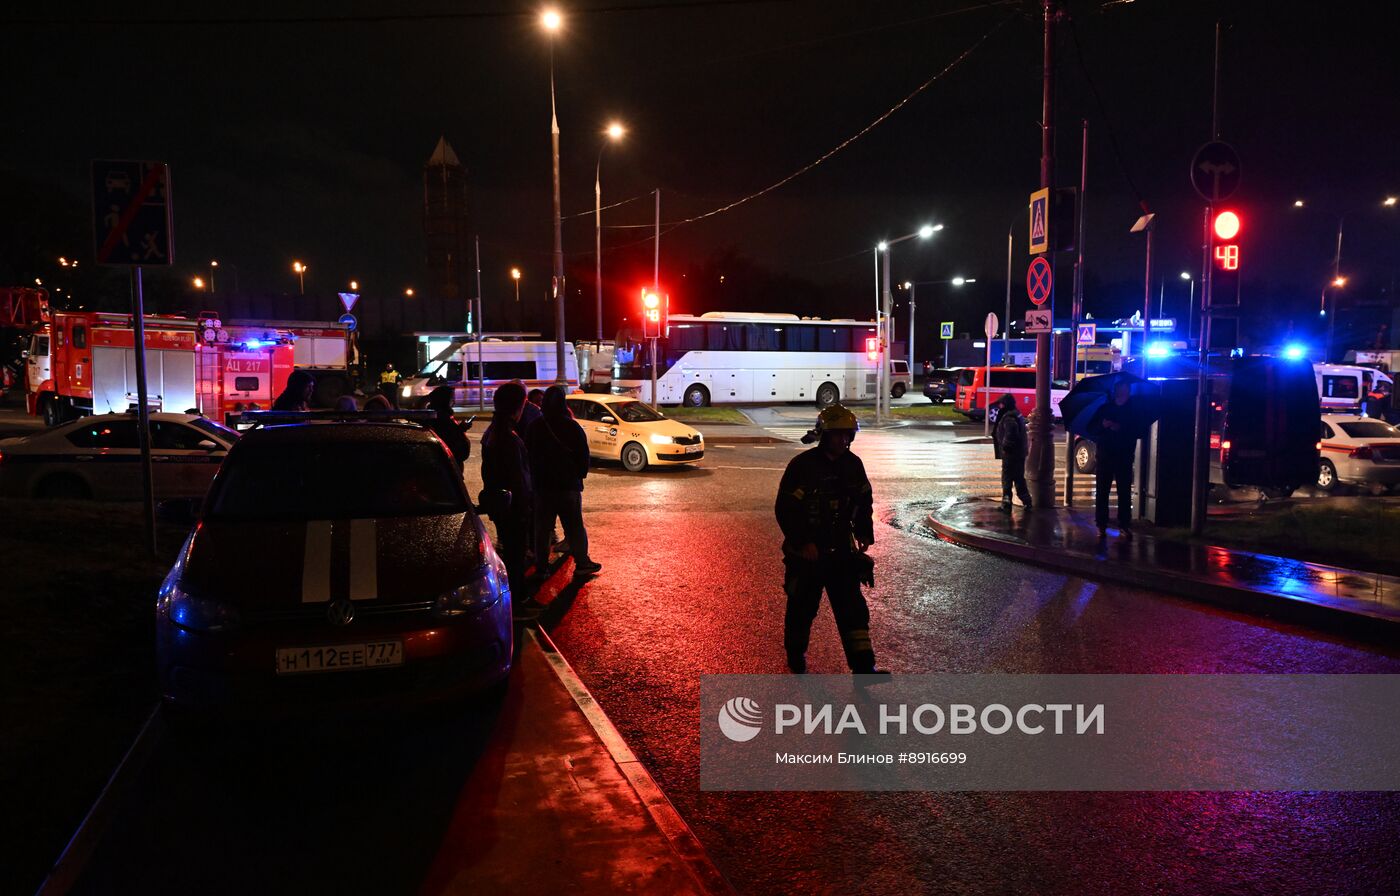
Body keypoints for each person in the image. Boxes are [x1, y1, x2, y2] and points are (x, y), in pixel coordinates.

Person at [774, 404, 886, 676]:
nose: (844, 440)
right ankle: (796, 656)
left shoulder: (853, 465)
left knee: (853, 611)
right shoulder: (802, 466)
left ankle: (864, 667)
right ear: (824, 434)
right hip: (808, 556)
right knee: (802, 608)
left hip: (841, 553)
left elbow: (863, 500)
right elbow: (785, 509)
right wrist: (802, 542)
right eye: (838, 435)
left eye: (848, 435)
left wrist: (864, 532)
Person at [527, 385, 602, 578]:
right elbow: (583, 456)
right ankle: (582, 563)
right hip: (568, 485)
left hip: (543, 486)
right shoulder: (571, 426)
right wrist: (579, 476)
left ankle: (541, 567)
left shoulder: (536, 426)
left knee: (542, 529)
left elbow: (528, 455)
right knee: (574, 526)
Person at [480, 383, 533, 597]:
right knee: (515, 556)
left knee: (512, 553)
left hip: (502, 504)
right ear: (519, 406)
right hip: (513, 506)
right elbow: (518, 477)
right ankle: (517, 600)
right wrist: (525, 505)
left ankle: (515, 597)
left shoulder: (494, 432)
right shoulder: (508, 437)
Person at [1092, 381, 1140, 540]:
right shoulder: (1105, 408)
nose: (1124, 391)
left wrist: (1121, 428)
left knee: (1124, 492)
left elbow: (1138, 431)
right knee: (1102, 492)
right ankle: (1101, 524)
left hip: (1124, 455)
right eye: (1121, 388)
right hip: (1105, 455)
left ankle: (1124, 525)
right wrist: (1103, 425)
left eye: (1126, 388)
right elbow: (1093, 429)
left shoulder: (1133, 410)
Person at [992, 393, 1031, 511]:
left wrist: (1005, 447)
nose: (1000, 407)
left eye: (1002, 404)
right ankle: (1027, 502)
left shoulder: (1009, 417)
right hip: (1019, 453)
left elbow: (1011, 432)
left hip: (1011, 454)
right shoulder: (1016, 413)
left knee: (1007, 478)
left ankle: (1006, 503)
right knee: (1019, 478)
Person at [426, 385, 472, 470]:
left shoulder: (443, 415)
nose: (454, 401)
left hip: (452, 462)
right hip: (447, 463)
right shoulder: (440, 417)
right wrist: (461, 429)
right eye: (451, 398)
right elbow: (448, 437)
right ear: (444, 400)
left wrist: (461, 428)